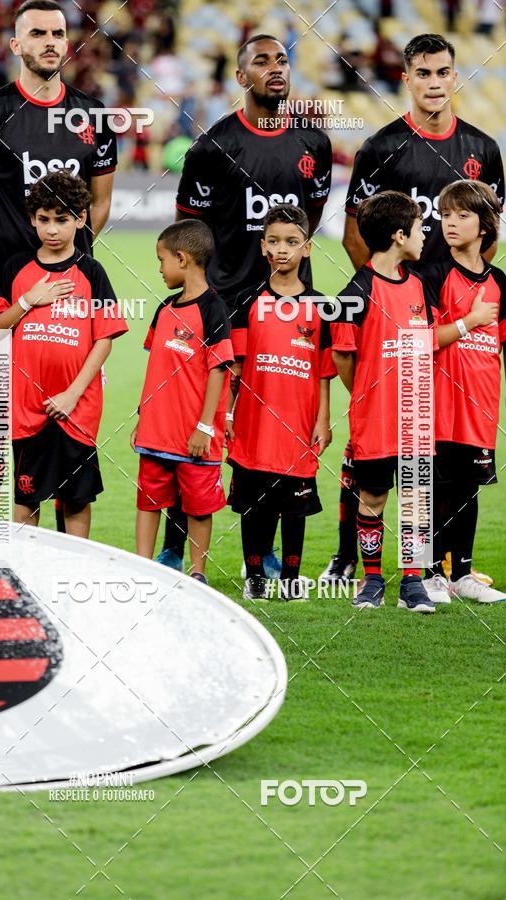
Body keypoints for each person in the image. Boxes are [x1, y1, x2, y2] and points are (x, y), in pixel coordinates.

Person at [322, 32, 505, 586]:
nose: (433, 82)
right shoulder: (380, 149)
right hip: (396, 317)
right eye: (422, 73)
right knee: (368, 446)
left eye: (442, 71)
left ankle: (440, 564)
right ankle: (347, 557)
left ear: (455, 76)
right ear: (406, 78)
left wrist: (459, 298)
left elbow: (488, 236)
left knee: (441, 448)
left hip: (453, 324)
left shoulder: (483, 150)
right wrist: (386, 292)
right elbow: (355, 235)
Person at [161, 33, 333, 575]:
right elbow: (190, 233)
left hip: (286, 309)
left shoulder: (314, 143)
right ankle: (175, 544)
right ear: (241, 77)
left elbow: (309, 219)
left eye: (282, 60)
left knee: (277, 423)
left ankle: (267, 552)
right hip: (224, 307)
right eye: (262, 61)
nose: (275, 68)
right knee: (201, 423)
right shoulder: (211, 148)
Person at [0, 0, 118, 524]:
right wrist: (7, 261)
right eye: (38, 33)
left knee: (69, 426)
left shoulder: (94, 116)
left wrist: (66, 259)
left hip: (70, 302)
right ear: (16, 44)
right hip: (5, 303)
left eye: (58, 33)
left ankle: (60, 557)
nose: (50, 42)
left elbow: (101, 203)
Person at [0, 171, 128, 538]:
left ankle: (74, 567)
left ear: (80, 219)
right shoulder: (16, 268)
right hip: (27, 409)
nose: (52, 229)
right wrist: (27, 301)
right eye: (44, 219)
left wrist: (72, 394)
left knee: (76, 498)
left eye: (62, 220)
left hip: (75, 409)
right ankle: (26, 567)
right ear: (32, 219)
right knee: (26, 496)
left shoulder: (92, 272)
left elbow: (105, 338)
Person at [332, 191, 437, 612]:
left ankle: (413, 582)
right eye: (419, 227)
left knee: (415, 499)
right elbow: (342, 355)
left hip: (415, 417)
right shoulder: (356, 290)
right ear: (399, 235)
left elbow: (426, 343)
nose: (425, 235)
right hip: (374, 420)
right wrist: (367, 393)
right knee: (372, 497)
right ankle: (372, 579)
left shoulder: (419, 285)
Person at [227, 204, 333, 600]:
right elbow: (235, 369)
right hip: (254, 424)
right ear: (263, 247)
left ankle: (290, 579)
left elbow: (323, 372)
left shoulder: (321, 306)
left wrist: (322, 419)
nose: (282, 249)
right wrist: (227, 414)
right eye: (273, 241)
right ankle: (255, 578)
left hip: (298, 423)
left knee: (294, 506)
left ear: (307, 248)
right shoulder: (247, 301)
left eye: (291, 241)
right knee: (254, 505)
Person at [131, 220, 233, 584]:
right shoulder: (164, 309)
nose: (159, 269)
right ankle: (141, 567)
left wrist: (205, 427)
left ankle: (197, 573)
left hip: (195, 435)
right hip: (157, 431)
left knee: (199, 506)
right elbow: (156, 370)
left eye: (161, 260)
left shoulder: (214, 309)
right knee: (148, 500)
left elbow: (219, 370)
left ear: (182, 258)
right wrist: (142, 417)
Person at [424, 180, 506, 603]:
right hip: (439, 404)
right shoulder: (433, 275)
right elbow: (422, 339)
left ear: (485, 225)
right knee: (436, 489)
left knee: (467, 490)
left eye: (462, 215)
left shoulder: (501, 283)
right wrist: (470, 321)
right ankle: (431, 574)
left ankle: (462, 574)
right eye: (445, 215)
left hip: (481, 405)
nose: (450, 222)